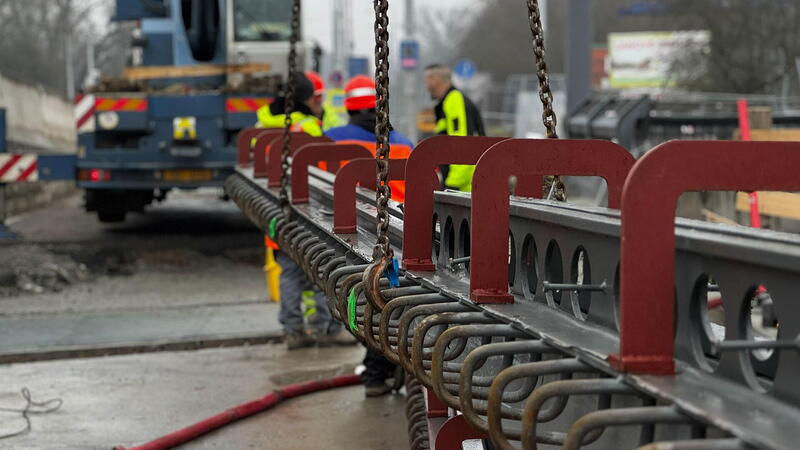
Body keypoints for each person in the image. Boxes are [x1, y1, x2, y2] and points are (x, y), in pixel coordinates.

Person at [325, 75, 413, 397]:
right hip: (397, 239)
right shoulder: (401, 141)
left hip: (348, 236)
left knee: (366, 302)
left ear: (349, 106)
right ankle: (383, 368)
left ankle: (378, 370)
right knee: (388, 300)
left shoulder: (329, 139)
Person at [255, 73, 355, 349]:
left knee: (288, 271)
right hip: (307, 208)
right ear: (306, 99)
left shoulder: (261, 123)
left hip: (273, 207)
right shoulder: (308, 127)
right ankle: (328, 328)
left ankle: (293, 331)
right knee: (321, 269)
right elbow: (322, 169)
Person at [424, 64, 486, 192]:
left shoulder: (454, 100)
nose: (426, 86)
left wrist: (452, 185)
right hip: (465, 185)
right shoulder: (449, 101)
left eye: (427, 80)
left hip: (465, 188)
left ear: (435, 80)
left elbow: (463, 143)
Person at [256, 72, 323, 136]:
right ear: (306, 100)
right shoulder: (309, 125)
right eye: (312, 97)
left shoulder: (262, 123)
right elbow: (319, 142)